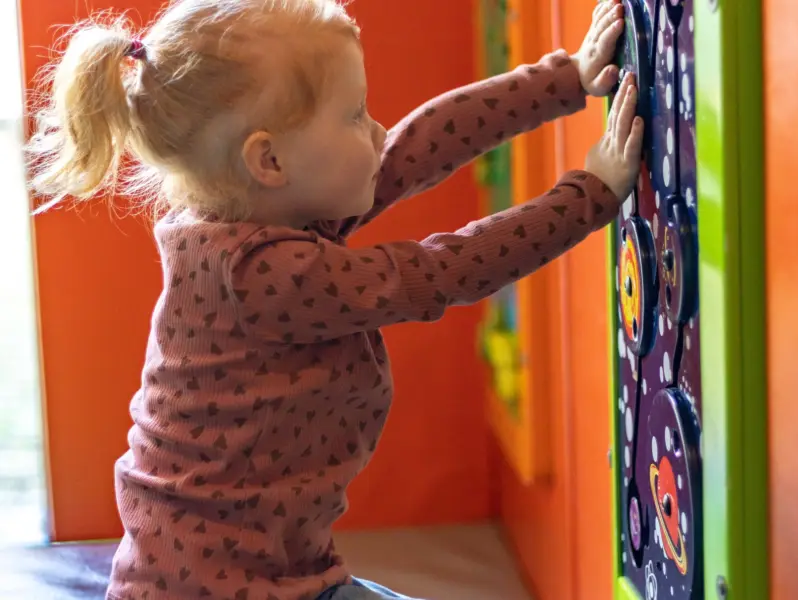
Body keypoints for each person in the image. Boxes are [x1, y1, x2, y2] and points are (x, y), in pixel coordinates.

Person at [25, 0, 642, 598]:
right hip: (221, 588)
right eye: (353, 116)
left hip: (264, 570)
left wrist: (565, 79)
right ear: (269, 159)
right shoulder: (262, 275)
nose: (375, 130)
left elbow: (415, 147)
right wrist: (588, 194)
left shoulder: (258, 212)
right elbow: (442, 270)